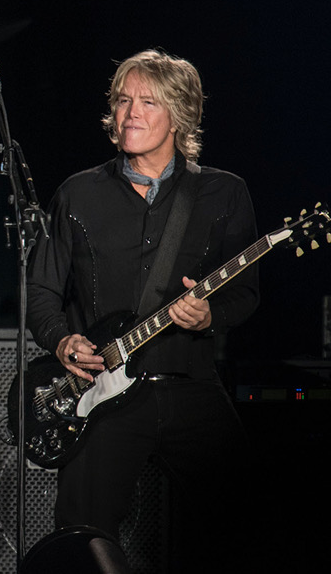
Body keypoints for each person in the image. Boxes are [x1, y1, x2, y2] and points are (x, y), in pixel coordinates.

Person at [25, 49, 259, 567]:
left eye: (148, 102)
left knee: (244, 515)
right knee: (82, 535)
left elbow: (246, 295)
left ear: (179, 114)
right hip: (102, 395)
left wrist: (211, 316)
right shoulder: (77, 193)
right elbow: (41, 292)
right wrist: (62, 339)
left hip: (189, 384)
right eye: (123, 100)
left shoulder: (223, 193)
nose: (130, 112)